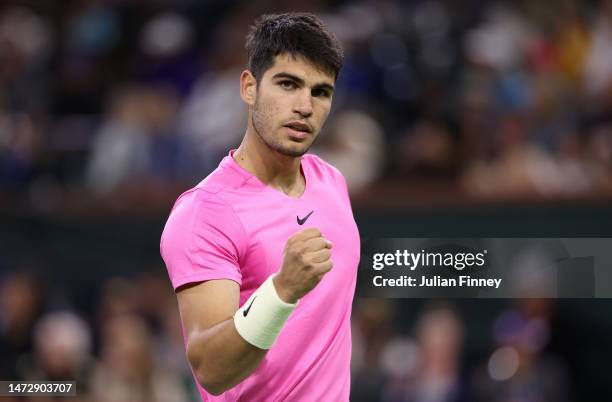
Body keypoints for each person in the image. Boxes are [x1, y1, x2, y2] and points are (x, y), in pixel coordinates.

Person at [160, 12, 360, 401]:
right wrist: (282, 290)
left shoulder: (332, 182)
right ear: (249, 87)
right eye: (288, 84)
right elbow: (212, 370)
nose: (305, 106)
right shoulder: (204, 212)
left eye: (321, 92)